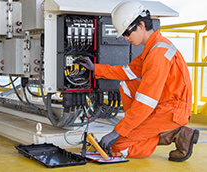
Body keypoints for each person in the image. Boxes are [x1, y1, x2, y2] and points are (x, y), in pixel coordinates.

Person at [80, 0, 199, 162]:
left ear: (141, 25)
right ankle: (147, 130)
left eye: (127, 33)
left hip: (171, 112)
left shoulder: (157, 55)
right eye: (123, 34)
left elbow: (146, 103)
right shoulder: (153, 48)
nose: (125, 37)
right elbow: (126, 72)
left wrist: (118, 131)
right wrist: (96, 69)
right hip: (163, 104)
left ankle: (175, 133)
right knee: (126, 83)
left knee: (117, 146)